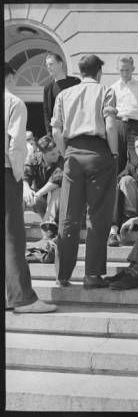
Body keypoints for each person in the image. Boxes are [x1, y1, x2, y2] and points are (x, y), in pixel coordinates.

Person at [51, 54, 118, 288]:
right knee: (98, 216)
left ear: (80, 72)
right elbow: (110, 125)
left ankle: (62, 275)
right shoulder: (105, 91)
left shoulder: (63, 95)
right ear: (98, 72)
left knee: (68, 215)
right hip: (99, 153)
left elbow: (56, 132)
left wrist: (65, 153)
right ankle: (91, 275)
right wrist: (114, 153)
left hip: (72, 153)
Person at [5, 62, 57, 313]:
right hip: (6, 173)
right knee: (12, 237)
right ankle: (22, 298)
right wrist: (17, 176)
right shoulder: (14, 102)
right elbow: (16, 145)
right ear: (11, 76)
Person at [23, 134, 64, 238]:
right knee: (21, 190)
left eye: (57, 152)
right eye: (52, 154)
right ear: (43, 154)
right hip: (41, 202)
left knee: (57, 189)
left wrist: (37, 194)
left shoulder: (61, 159)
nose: (57, 155)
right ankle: (15, 225)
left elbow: (56, 180)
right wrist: (27, 189)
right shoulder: (34, 158)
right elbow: (24, 176)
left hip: (60, 203)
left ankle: (49, 224)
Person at [43, 53, 81, 136]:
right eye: (47, 65)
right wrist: (49, 132)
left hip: (75, 130)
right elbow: (46, 112)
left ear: (60, 64)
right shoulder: (48, 88)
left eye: (51, 64)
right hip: (58, 131)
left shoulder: (75, 82)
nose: (48, 67)